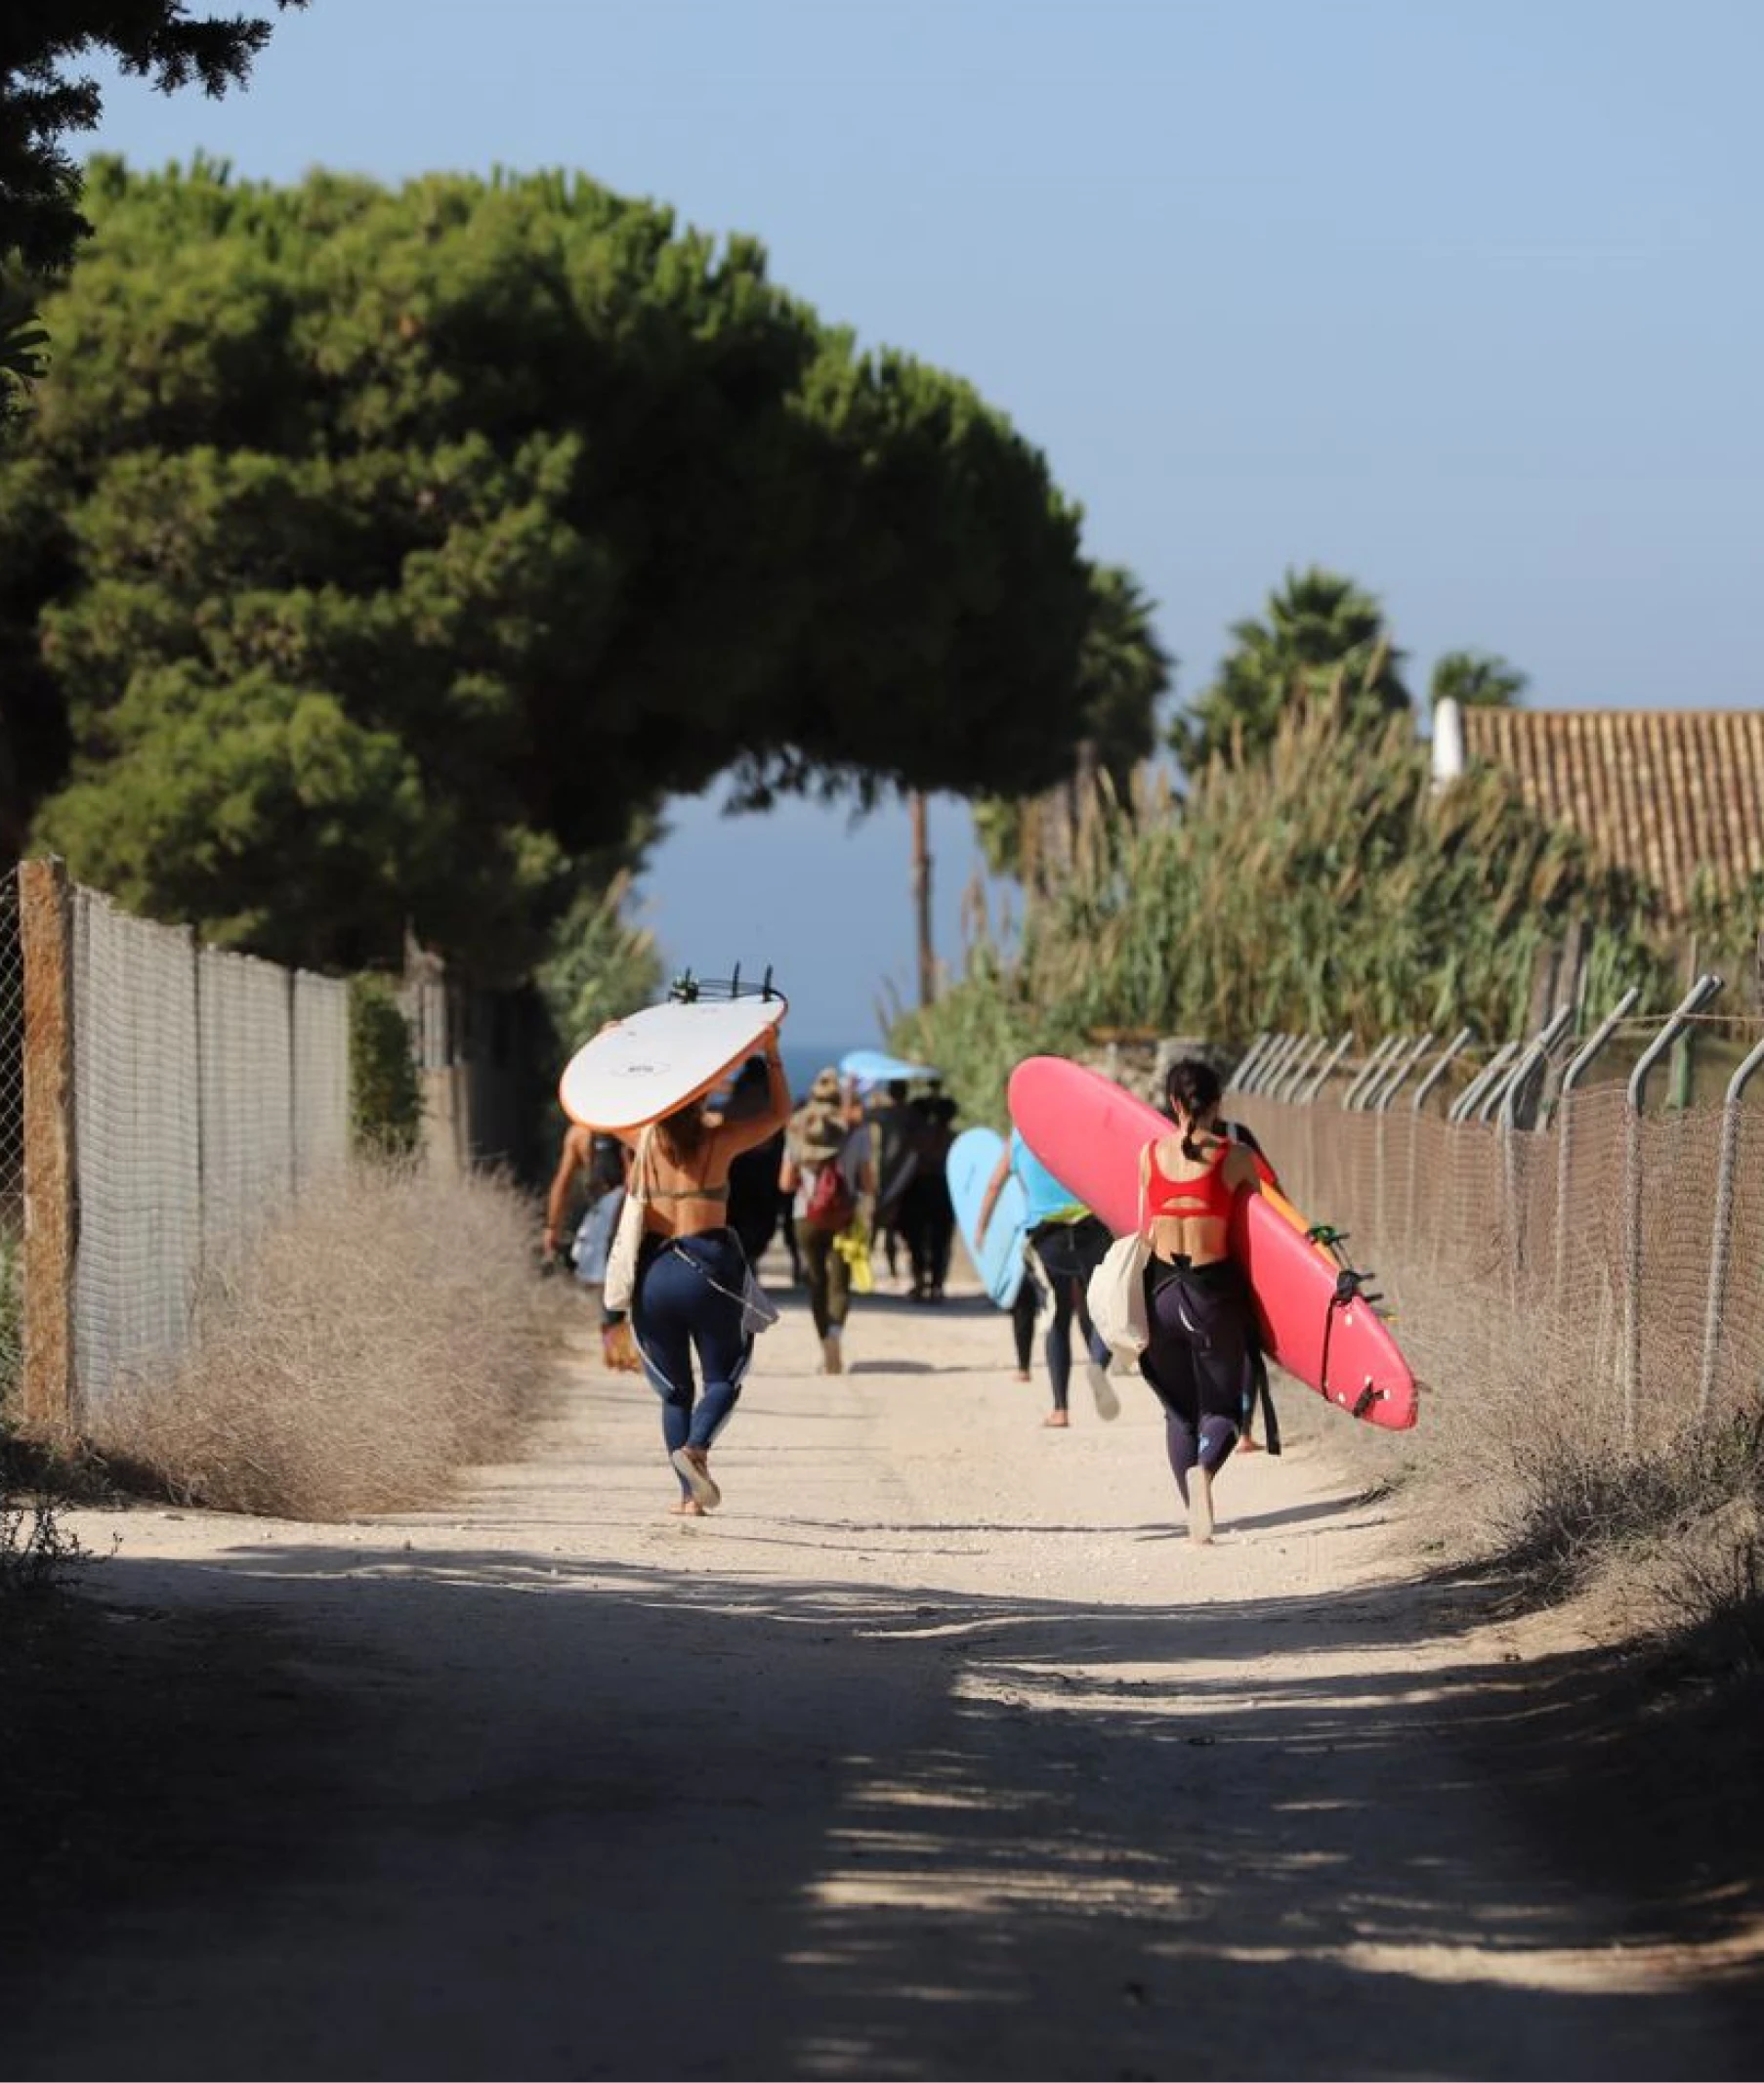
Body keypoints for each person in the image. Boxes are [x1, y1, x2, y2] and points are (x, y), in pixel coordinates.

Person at [615, 1030, 793, 1515]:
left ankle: (688, 1497)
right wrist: (772, 1055)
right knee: (723, 1380)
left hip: (655, 1276)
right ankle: (696, 1448)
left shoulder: (642, 1139)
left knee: (674, 1391)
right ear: (699, 1102)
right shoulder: (718, 1141)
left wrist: (615, 1049)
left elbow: (604, 1106)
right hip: (707, 1271)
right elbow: (779, 1115)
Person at [1140, 1056, 1265, 1544]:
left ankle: (1194, 1508)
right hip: (1212, 1298)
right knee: (1224, 1411)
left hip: (1162, 1296)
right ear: (1217, 1105)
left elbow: (1144, 1230)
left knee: (1178, 1411)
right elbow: (1262, 1235)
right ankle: (1205, 1474)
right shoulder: (1236, 1158)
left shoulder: (1147, 1155)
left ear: (1172, 1103)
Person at [977, 1128, 1120, 1428]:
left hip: (1046, 1237)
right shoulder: (1078, 1125)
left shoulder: (1019, 1137)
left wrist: (981, 1228)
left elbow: (993, 1185)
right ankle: (1097, 1364)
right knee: (1101, 1310)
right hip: (1090, 1229)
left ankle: (1060, 1409)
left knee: (1055, 1317)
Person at [780, 1069, 874, 1374]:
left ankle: (824, 1342)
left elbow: (784, 1183)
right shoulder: (858, 1133)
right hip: (844, 1215)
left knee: (816, 1282)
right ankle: (835, 1333)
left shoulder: (797, 1128)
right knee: (840, 1282)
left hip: (805, 1215)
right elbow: (868, 1184)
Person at [543, 1123, 640, 1371]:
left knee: (610, 1284)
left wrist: (552, 1227)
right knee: (621, 1283)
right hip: (630, 1209)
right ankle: (619, 1348)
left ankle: (617, 1349)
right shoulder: (637, 1126)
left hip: (611, 1210)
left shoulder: (580, 1133)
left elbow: (562, 1184)